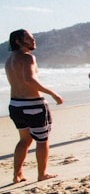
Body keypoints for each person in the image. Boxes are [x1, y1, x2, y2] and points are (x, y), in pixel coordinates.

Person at [5, 29, 63, 183]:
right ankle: (42, 174)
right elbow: (29, 80)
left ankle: (17, 175)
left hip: (15, 105)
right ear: (18, 41)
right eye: (29, 38)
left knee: (24, 140)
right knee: (42, 140)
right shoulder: (27, 58)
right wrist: (52, 93)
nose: (33, 40)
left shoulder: (10, 60)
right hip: (33, 105)